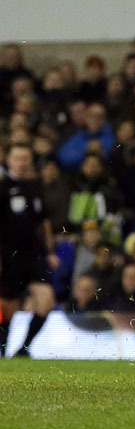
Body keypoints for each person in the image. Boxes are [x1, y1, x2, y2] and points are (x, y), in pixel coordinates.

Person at [0, 145, 58, 358]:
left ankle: (24, 349)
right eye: (18, 158)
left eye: (26, 158)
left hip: (34, 254)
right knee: (8, 308)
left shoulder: (35, 187)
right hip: (9, 255)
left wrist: (50, 251)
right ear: (9, 161)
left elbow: (44, 221)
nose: (23, 162)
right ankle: (3, 350)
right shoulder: (3, 188)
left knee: (46, 300)